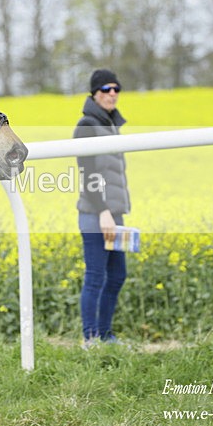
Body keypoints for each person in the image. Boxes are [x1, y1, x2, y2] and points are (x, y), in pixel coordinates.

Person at [74, 69, 130, 347]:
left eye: (116, 89)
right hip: (96, 215)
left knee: (118, 275)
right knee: (96, 276)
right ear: (95, 93)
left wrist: (115, 212)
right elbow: (89, 174)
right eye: (106, 89)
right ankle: (90, 339)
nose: (112, 94)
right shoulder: (87, 125)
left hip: (113, 215)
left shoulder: (110, 125)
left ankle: (105, 335)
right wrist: (104, 212)